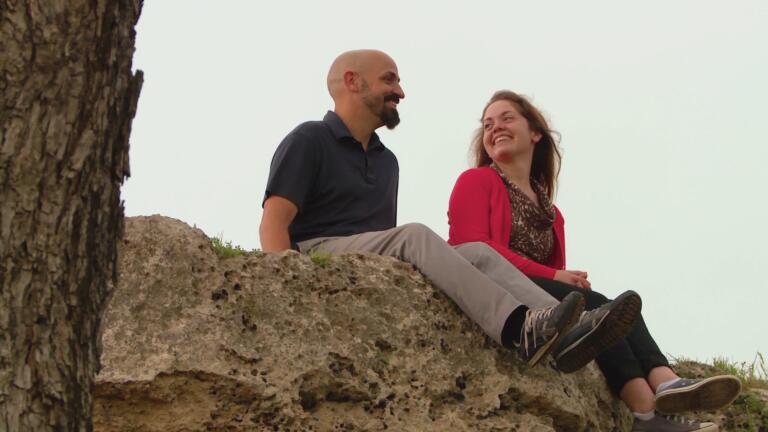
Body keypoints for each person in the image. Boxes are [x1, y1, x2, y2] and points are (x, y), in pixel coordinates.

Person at [260, 49, 641, 373]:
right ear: (353, 81)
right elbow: (274, 222)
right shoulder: (310, 138)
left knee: (477, 252)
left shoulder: (385, 161)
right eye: (389, 80)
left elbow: (381, 242)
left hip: (366, 257)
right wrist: (289, 285)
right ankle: (518, 327)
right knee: (414, 234)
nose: (400, 91)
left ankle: (568, 330)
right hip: (316, 251)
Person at [447, 90, 742, 432]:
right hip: (490, 289)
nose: (495, 127)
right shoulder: (476, 180)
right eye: (487, 124)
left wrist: (558, 279)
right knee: (599, 305)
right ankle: (651, 406)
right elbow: (471, 248)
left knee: (613, 311)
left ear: (535, 133)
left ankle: (660, 392)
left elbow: (555, 287)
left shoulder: (552, 214)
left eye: (507, 118)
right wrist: (554, 275)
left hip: (534, 295)